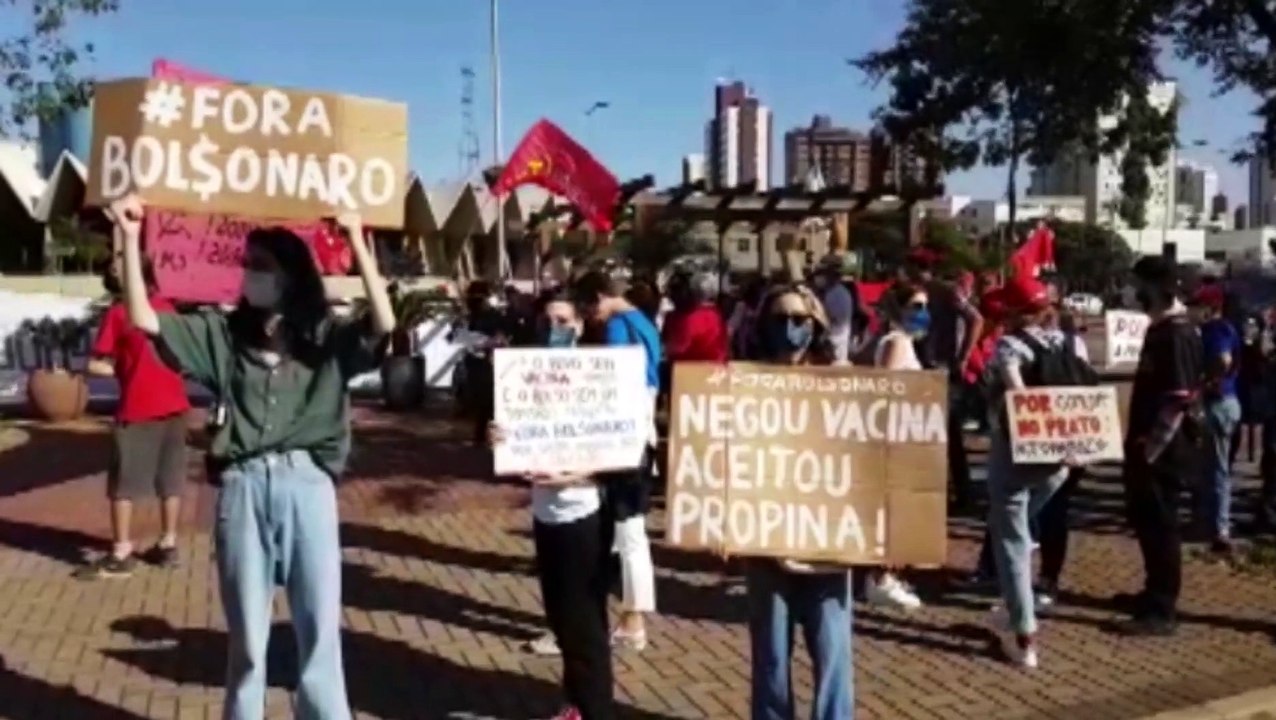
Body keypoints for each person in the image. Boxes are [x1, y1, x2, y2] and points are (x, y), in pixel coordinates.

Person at [111, 194, 395, 719]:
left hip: (308, 486)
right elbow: (144, 319)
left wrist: (356, 237)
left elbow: (384, 322)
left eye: (260, 266)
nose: (249, 275)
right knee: (247, 643)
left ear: (289, 276)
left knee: (319, 635)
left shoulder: (326, 338)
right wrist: (130, 237)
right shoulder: (224, 335)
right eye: (247, 265)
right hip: (242, 488)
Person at [490, 292, 614, 720]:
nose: (553, 329)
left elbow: (621, 452)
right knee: (560, 617)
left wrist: (576, 475)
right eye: (547, 321)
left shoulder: (599, 374)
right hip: (545, 512)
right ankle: (575, 702)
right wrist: (499, 437)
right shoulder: (526, 374)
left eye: (563, 320)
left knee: (584, 625)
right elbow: (514, 434)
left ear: (580, 324)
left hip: (582, 512)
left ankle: (596, 709)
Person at [745, 284, 853, 720]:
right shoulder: (742, 385)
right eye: (779, 319)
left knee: (833, 660)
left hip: (830, 547)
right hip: (767, 545)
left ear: (818, 326)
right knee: (770, 658)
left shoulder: (844, 383)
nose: (789, 329)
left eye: (800, 319)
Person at [982, 276, 1094, 667]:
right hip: (1059, 459)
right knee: (1018, 529)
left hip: (1016, 451)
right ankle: (1016, 604)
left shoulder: (1009, 346)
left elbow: (1018, 395)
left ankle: (1024, 635)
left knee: (1011, 539)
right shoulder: (1068, 342)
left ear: (1012, 311)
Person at [76, 258, 192, 580]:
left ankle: (122, 551)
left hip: (138, 407)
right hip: (174, 405)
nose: (114, 269)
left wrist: (123, 370)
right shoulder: (167, 308)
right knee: (170, 480)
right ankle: (168, 545)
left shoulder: (118, 313)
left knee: (123, 485)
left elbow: (98, 363)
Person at [571, 270, 661, 652]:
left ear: (599, 297)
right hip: (643, 438)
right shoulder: (644, 321)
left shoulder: (618, 329)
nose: (589, 315)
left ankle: (632, 619)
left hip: (624, 441)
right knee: (632, 532)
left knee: (627, 535)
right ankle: (631, 616)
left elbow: (613, 384)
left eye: (587, 306)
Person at [1116, 256, 1203, 637]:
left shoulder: (1177, 334)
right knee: (1146, 522)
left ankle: (1162, 607)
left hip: (1163, 453)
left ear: (1156, 287)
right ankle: (1153, 592)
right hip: (1146, 448)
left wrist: (1150, 449)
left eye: (1140, 285)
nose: (1135, 294)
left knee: (1162, 525)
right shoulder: (1160, 329)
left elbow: (1178, 401)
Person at [862, 283, 927, 611]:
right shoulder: (897, 342)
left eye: (924, 307)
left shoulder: (903, 343)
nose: (922, 314)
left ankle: (887, 573)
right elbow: (883, 385)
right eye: (915, 306)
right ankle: (879, 578)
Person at [903, 250, 984, 509]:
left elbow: (976, 320)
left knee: (948, 433)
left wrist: (962, 357)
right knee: (931, 432)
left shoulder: (946, 292)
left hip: (942, 370)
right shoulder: (918, 294)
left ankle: (962, 493)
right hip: (925, 367)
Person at [1188, 284, 1242, 554]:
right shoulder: (1224, 328)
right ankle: (1208, 521)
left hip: (1219, 404)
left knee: (1217, 469)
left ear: (1211, 308)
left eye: (1197, 306)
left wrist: (1208, 382)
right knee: (1209, 466)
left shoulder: (1216, 330)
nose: (1193, 311)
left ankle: (1219, 527)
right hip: (1225, 403)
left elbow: (1223, 359)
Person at [811, 255, 855, 364]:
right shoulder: (830, 293)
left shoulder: (838, 294)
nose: (819, 277)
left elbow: (835, 326)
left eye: (822, 273)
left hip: (834, 353)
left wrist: (818, 313)